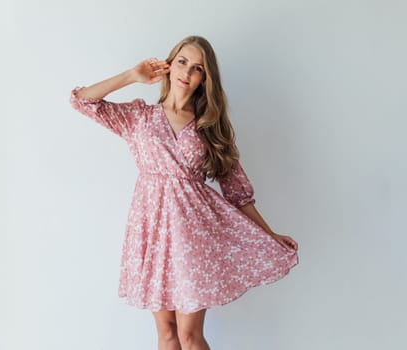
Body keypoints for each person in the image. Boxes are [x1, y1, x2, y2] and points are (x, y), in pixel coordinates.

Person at [69, 35, 299, 350]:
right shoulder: (140, 116)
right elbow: (82, 100)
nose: (187, 73)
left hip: (193, 235)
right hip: (151, 232)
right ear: (169, 63)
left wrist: (269, 233)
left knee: (189, 336)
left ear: (205, 79)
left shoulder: (209, 127)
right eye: (182, 62)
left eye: (198, 68)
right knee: (166, 334)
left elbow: (238, 193)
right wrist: (131, 76)